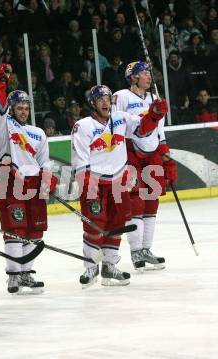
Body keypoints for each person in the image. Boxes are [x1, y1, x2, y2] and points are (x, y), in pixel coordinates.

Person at [72, 85, 168, 288]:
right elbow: (80, 160)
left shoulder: (121, 118)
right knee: (94, 225)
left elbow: (142, 130)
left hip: (118, 182)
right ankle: (90, 267)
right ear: (92, 104)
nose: (106, 102)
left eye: (107, 98)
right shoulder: (83, 126)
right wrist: (88, 186)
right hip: (95, 183)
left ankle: (109, 266)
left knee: (116, 225)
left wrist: (155, 114)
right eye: (100, 100)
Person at [0, 64, 57, 294]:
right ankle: (14, 276)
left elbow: (45, 161)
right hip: (10, 180)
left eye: (26, 108)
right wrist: (1, 83)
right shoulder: (3, 127)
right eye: (19, 107)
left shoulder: (38, 132)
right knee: (15, 229)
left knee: (33, 231)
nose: (23, 111)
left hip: (34, 184)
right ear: (12, 109)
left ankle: (26, 274)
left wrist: (47, 181)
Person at [112, 62, 177, 271]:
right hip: (130, 151)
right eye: (144, 73)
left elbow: (160, 130)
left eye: (149, 73)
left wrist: (165, 153)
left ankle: (146, 249)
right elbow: (115, 124)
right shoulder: (121, 96)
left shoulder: (154, 98)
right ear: (133, 77)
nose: (149, 76)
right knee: (136, 202)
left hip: (153, 152)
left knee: (152, 202)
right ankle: (136, 251)